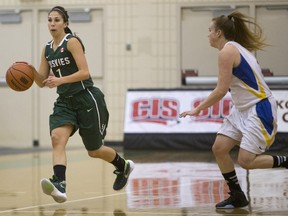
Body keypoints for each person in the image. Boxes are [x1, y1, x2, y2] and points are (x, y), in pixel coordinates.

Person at [180, 11, 287, 209]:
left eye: (210, 30)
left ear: (219, 33)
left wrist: (197, 109)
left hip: (259, 107)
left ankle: (284, 161)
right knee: (219, 148)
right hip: (243, 109)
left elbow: (221, 91)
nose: (208, 34)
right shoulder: (235, 48)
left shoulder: (227, 52)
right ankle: (237, 195)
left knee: (246, 161)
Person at [30, 6, 134, 203]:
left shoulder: (72, 42)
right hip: (65, 102)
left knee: (94, 150)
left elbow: (85, 72)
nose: (52, 23)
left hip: (86, 98)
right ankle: (60, 184)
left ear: (65, 23)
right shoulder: (46, 49)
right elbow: (41, 81)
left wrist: (59, 80)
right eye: (50, 20)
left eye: (57, 20)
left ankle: (123, 166)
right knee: (56, 138)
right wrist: (28, 72)